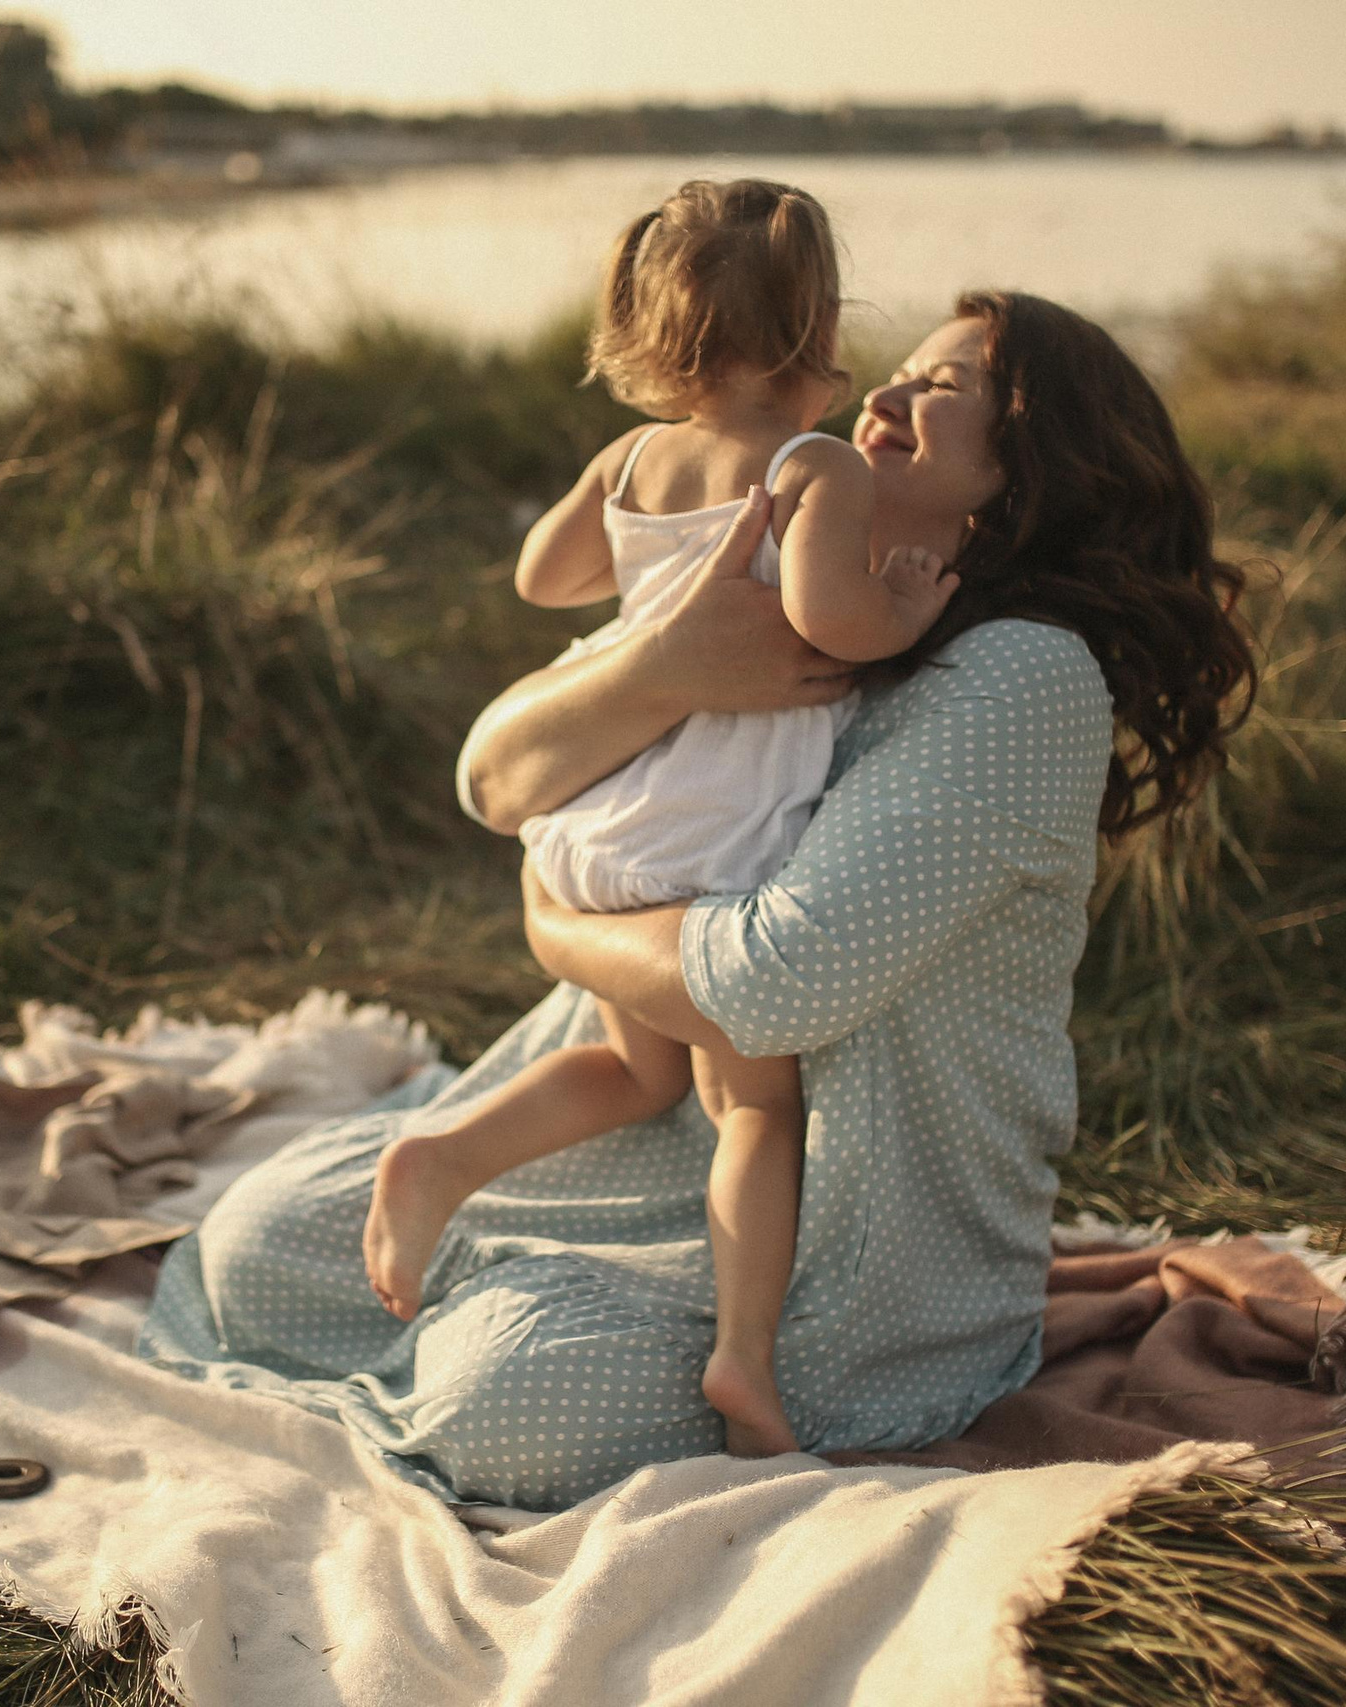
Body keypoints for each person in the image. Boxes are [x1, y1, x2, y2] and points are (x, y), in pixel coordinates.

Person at [139, 290, 1257, 1514]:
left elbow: (784, 982)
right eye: (895, 373)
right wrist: (660, 663)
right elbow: (493, 778)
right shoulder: (769, 583)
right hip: (630, 1109)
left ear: (1035, 470)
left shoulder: (1021, 676)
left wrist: (554, 928)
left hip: (847, 1224)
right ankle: (481, 1229)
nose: (886, 395)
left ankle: (649, 1338)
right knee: (255, 1248)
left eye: (946, 390)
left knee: (507, 1403)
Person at [358, 178, 956, 1459]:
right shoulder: (813, 465)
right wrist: (904, 608)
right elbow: (826, 623)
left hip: (617, 810)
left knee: (637, 1074)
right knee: (752, 1108)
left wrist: (643, 539)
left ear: (657, 331)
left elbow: (544, 576)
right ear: (819, 323)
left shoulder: (631, 458)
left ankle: (444, 1157)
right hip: (719, 829)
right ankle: (744, 1360)